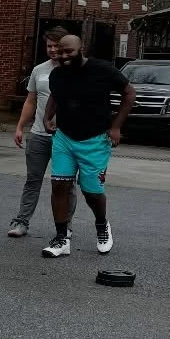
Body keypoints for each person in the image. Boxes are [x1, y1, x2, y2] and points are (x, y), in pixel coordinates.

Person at [41, 35, 135, 258]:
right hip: (64, 137)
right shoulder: (57, 74)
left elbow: (130, 93)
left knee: (91, 191)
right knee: (58, 184)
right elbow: (55, 96)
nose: (63, 56)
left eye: (69, 52)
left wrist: (116, 127)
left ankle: (102, 225)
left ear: (81, 49)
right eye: (60, 51)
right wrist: (47, 117)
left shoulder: (102, 70)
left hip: (95, 139)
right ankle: (62, 237)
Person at [8, 27, 75, 237]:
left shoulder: (76, 70)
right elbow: (30, 100)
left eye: (57, 46)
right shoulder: (39, 70)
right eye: (49, 46)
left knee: (66, 184)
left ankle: (65, 226)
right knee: (32, 181)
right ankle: (21, 222)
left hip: (65, 138)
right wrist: (20, 126)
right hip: (38, 135)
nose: (53, 50)